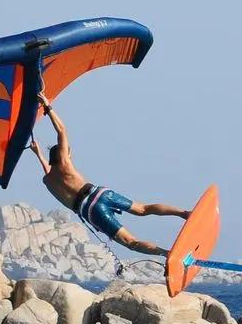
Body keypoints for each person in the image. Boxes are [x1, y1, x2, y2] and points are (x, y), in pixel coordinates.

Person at [27, 97, 188, 258]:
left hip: (91, 210)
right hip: (100, 194)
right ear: (64, 154)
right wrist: (47, 106)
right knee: (143, 209)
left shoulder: (48, 181)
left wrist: (39, 155)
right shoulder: (65, 163)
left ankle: (168, 254)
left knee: (131, 242)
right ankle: (185, 213)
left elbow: (49, 171)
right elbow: (61, 130)